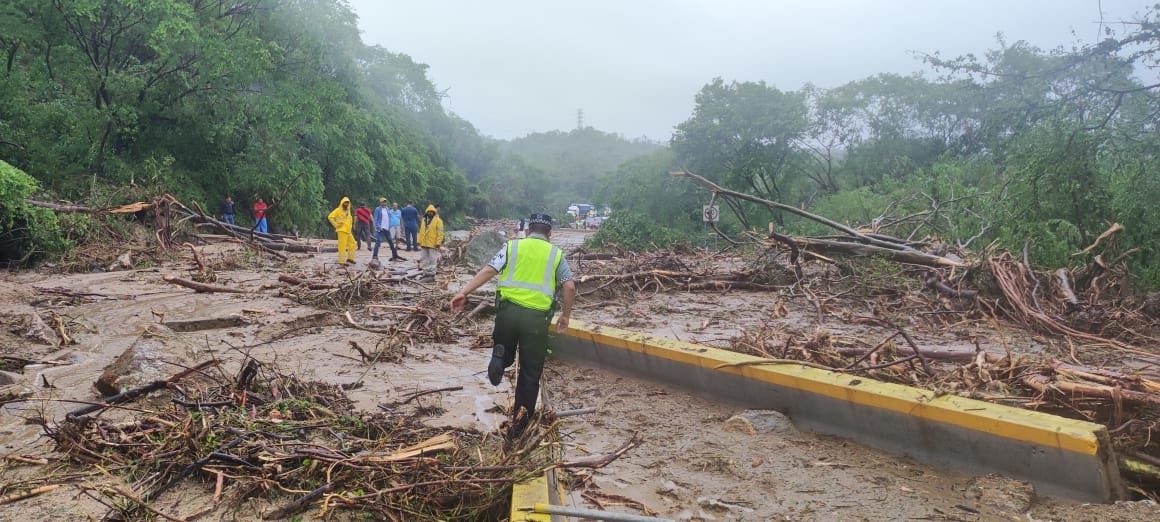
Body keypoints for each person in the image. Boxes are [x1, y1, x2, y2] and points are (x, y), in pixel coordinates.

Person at [449, 213, 575, 439]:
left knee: (505, 347)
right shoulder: (556, 254)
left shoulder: (511, 247)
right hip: (536, 321)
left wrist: (463, 292)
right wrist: (565, 316)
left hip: (507, 314)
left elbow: (489, 270)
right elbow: (569, 287)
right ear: (549, 235)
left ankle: (501, 355)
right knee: (529, 372)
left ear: (527, 231)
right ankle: (520, 425)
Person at [372, 197, 404, 262]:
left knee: (391, 243)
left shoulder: (387, 209)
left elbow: (388, 218)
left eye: (385, 202)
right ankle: (375, 256)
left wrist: (389, 226)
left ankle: (395, 255)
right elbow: (376, 219)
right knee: (378, 242)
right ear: (380, 203)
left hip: (387, 229)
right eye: (383, 202)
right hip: (380, 229)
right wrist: (378, 227)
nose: (384, 203)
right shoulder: (377, 209)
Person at [327, 196, 356, 265]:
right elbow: (330, 217)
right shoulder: (338, 210)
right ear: (342, 203)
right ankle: (342, 261)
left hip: (348, 230)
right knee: (342, 246)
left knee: (353, 244)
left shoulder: (348, 211)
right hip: (341, 230)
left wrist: (351, 226)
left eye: (347, 203)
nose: (346, 204)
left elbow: (350, 219)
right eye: (345, 203)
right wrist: (336, 225)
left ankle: (350, 258)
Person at [417, 204, 444, 271]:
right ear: (427, 212)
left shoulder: (438, 221)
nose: (430, 213)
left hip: (433, 243)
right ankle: (426, 272)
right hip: (424, 243)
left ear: (434, 212)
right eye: (429, 212)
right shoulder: (423, 220)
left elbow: (440, 233)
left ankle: (432, 272)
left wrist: (438, 242)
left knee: (433, 259)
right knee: (424, 259)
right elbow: (421, 231)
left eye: (432, 212)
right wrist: (419, 241)